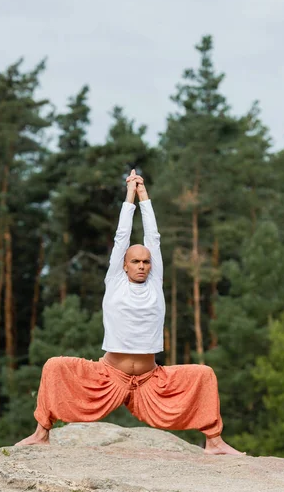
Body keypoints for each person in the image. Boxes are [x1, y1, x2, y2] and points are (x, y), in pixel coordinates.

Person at [16, 170, 244, 455]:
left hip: (151, 381)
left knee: (205, 374)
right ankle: (41, 433)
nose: (141, 266)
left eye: (146, 262)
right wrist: (130, 196)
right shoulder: (114, 281)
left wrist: (145, 195)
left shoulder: (155, 283)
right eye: (135, 261)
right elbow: (121, 236)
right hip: (108, 377)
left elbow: (154, 237)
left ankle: (214, 442)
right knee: (53, 366)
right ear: (124, 265)